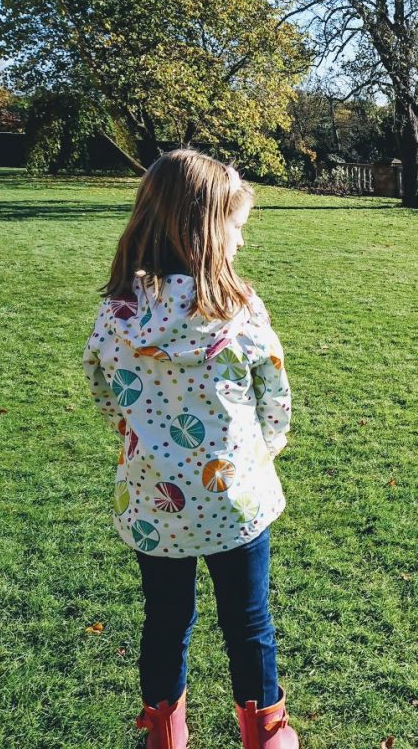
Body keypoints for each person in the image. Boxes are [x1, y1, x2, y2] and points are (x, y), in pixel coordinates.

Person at [83, 149, 296, 749]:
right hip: (235, 503)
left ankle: (164, 734)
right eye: (236, 228)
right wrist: (265, 449)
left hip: (154, 504)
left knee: (166, 623)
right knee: (249, 624)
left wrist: (139, 438)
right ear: (205, 228)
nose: (241, 243)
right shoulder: (238, 308)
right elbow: (274, 393)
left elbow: (103, 390)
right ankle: (266, 735)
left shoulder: (117, 313)